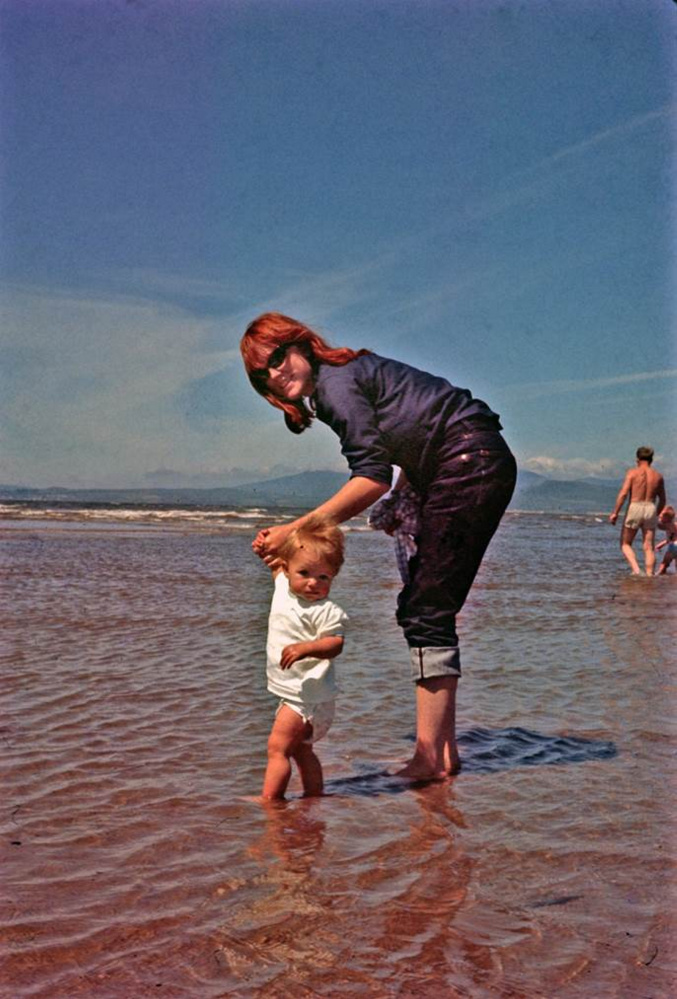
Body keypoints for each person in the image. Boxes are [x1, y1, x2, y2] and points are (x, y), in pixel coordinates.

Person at [241, 312, 517, 780]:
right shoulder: (346, 376)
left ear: (300, 345)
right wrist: (412, 487)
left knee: (426, 609)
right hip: (474, 456)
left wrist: (294, 530)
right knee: (429, 607)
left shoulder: (334, 386)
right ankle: (443, 754)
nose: (274, 373)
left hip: (468, 462)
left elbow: (371, 478)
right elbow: (419, 425)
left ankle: (429, 758)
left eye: (276, 357)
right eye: (260, 374)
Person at [261, 514, 348, 799]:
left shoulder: (327, 610)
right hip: (301, 694)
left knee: (277, 748)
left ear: (333, 576)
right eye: (305, 574)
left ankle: (270, 802)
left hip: (307, 698)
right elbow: (273, 557)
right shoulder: (283, 589)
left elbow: (335, 644)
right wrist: (264, 543)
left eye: (323, 577)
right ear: (287, 570)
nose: (313, 583)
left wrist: (305, 648)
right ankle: (314, 795)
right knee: (300, 749)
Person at [609, 446, 667, 576]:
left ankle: (636, 570)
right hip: (651, 506)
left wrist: (615, 513)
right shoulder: (658, 476)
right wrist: (655, 514)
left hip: (635, 506)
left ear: (637, 459)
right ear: (651, 459)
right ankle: (649, 574)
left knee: (625, 543)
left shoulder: (632, 473)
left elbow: (623, 494)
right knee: (649, 547)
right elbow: (663, 500)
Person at [655, 505, 677, 575]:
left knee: (664, 564)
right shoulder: (674, 524)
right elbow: (670, 539)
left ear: (666, 518)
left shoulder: (668, 525)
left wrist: (653, 520)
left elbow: (659, 526)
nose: (659, 518)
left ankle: (658, 574)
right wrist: (660, 545)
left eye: (661, 516)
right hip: (674, 545)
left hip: (672, 548)